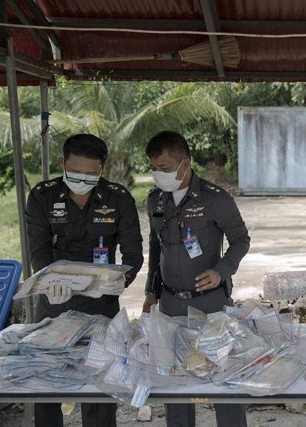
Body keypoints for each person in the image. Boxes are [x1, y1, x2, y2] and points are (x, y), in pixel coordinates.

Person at [25, 133, 144, 427]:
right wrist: (50, 280)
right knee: (48, 388)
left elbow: (134, 253)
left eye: (92, 174)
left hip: (101, 305)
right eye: (76, 172)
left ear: (102, 169)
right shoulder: (43, 196)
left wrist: (122, 279)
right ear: (62, 163)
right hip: (54, 305)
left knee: (100, 393)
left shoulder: (118, 198)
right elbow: (38, 251)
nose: (83, 179)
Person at [142, 130, 250, 427]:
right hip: (171, 306)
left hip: (211, 306)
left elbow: (241, 240)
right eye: (153, 168)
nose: (157, 175)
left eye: (163, 168)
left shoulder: (216, 199)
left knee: (223, 383)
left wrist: (221, 271)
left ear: (184, 163)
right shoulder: (155, 201)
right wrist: (151, 291)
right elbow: (155, 245)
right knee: (176, 387)